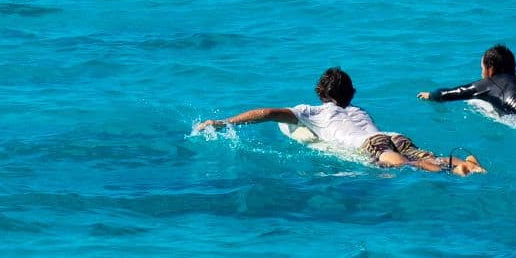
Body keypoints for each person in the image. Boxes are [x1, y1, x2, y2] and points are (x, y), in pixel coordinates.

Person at [197, 67, 485, 174]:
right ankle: (464, 163)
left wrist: (223, 122)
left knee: (409, 165)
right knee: (424, 155)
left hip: (371, 144)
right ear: (352, 93)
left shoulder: (315, 112)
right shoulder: (359, 110)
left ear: (321, 94)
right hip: (392, 134)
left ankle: (454, 170)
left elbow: (268, 113)